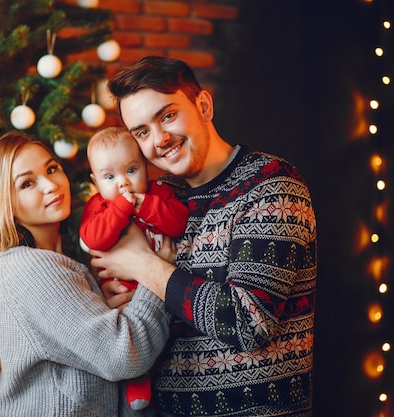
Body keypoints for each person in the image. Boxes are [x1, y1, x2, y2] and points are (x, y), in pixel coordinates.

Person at [90, 56, 317, 417]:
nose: (160, 139)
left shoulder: (271, 186)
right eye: (141, 132)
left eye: (167, 116)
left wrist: (143, 266)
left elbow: (249, 324)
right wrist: (120, 292)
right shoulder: (159, 198)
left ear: (204, 106)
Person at [0, 131, 170, 417]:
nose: (50, 184)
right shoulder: (29, 267)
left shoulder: (56, 262)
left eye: (51, 168)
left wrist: (99, 302)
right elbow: (123, 356)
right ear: (5, 204)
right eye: (27, 183)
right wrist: (155, 271)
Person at [79, 126, 189, 411]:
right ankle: (137, 379)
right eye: (109, 177)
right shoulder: (98, 205)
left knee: (169, 333)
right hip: (125, 293)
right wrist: (120, 210)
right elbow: (94, 238)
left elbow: (177, 222)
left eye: (131, 170)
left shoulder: (159, 193)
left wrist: (145, 206)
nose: (123, 184)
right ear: (95, 181)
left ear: (145, 166)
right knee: (131, 334)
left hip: (163, 287)